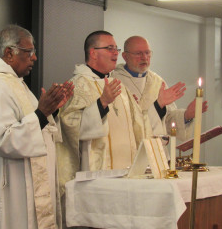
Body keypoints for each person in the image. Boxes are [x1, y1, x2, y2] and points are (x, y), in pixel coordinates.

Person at [0, 25, 74, 229]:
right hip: (8, 180)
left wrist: (52, 110)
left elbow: (35, 123)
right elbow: (5, 138)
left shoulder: (15, 83)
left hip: (25, 178)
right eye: (28, 52)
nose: (33, 58)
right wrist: (42, 112)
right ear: (9, 53)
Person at [56, 31, 152, 193]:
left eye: (116, 48)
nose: (115, 53)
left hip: (129, 176)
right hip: (98, 179)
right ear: (93, 53)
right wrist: (101, 104)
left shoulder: (119, 87)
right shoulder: (77, 86)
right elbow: (70, 128)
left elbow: (139, 125)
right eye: (109, 48)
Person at [112, 36, 208, 151]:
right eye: (138, 53)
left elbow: (167, 120)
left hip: (156, 150)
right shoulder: (114, 81)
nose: (144, 57)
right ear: (125, 56)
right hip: (128, 150)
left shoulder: (157, 82)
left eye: (147, 53)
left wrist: (187, 115)